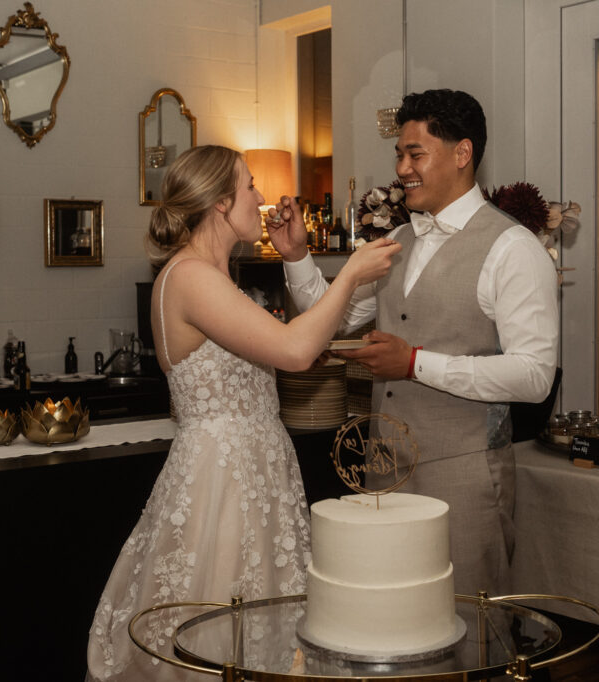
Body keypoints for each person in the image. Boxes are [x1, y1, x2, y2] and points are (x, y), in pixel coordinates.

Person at [86, 145, 400, 681]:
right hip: (223, 479)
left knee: (256, 625)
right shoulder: (190, 276)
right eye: (250, 186)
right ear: (219, 201)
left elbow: (280, 350)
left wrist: (297, 275)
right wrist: (349, 274)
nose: (260, 197)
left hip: (255, 468)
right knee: (216, 623)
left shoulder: (212, 276)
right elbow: (293, 349)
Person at [268, 89, 559, 598]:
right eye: (399, 155)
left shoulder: (514, 248)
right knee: (392, 613)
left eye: (415, 154)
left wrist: (414, 364)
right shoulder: (398, 241)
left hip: (464, 474)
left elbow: (534, 376)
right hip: (384, 469)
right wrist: (295, 256)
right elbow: (331, 319)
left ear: (462, 153)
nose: (402, 168)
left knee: (467, 617)